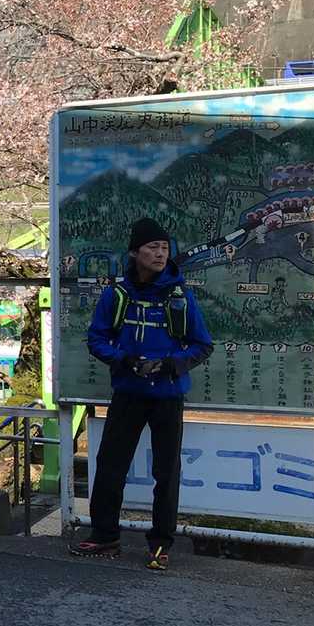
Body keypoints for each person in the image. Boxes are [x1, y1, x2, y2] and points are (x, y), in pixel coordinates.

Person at [73, 218, 213, 571]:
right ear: (135, 253)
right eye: (153, 247)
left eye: (164, 248)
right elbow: (96, 339)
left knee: (166, 472)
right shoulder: (117, 295)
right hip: (128, 392)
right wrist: (125, 360)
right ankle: (105, 536)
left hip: (168, 394)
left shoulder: (182, 297)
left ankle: (161, 543)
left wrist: (171, 365)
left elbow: (202, 344)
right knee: (110, 465)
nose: (160, 254)